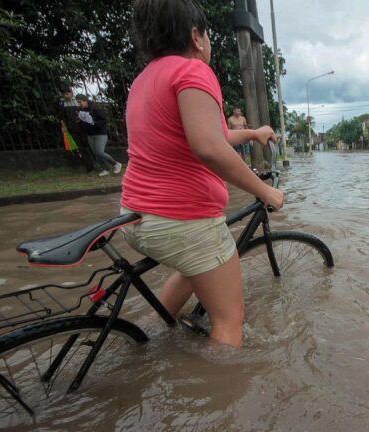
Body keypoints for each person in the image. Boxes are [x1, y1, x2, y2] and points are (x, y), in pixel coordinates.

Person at [121, 0, 283, 348]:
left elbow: (212, 135)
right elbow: (209, 147)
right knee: (228, 321)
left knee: (195, 265)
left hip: (137, 219)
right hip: (183, 222)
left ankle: (148, 346)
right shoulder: (192, 71)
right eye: (207, 34)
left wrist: (252, 133)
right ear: (196, 36)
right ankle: (222, 396)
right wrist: (265, 191)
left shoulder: (143, 81)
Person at [76, 94, 123, 176]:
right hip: (90, 134)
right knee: (95, 153)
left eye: (80, 102)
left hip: (100, 133)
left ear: (85, 100)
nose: (79, 104)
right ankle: (105, 169)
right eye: (78, 103)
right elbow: (83, 123)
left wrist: (93, 122)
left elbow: (103, 121)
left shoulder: (95, 108)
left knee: (99, 151)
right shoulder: (81, 111)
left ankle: (116, 163)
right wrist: (80, 120)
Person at [56, 86, 95, 173]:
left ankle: (97, 163)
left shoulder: (78, 101)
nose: (66, 96)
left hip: (83, 127)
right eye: (64, 94)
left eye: (67, 94)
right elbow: (62, 117)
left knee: (88, 146)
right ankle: (89, 167)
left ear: (71, 92)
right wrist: (63, 127)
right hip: (72, 128)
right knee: (80, 147)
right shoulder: (62, 104)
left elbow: (87, 112)